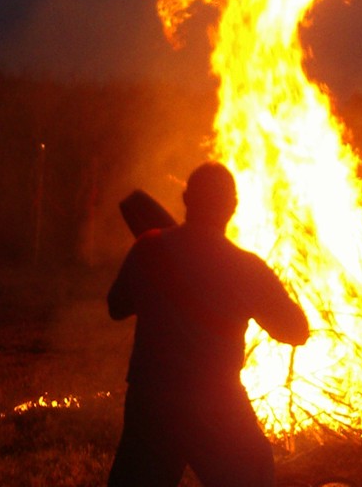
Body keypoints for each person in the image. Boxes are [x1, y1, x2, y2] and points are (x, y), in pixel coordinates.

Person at [107, 161, 309, 487]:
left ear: (187, 199)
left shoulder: (149, 248)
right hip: (216, 403)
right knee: (253, 473)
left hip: (151, 399)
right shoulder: (246, 268)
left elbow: (116, 306)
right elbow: (296, 331)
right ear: (232, 206)